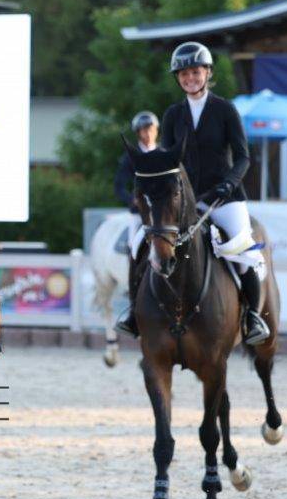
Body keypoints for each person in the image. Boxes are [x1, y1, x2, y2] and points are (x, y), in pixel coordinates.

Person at [116, 41, 270, 345]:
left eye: (195, 72)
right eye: (184, 74)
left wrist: (228, 183)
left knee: (242, 249)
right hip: (185, 201)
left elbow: (243, 157)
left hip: (224, 198)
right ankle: (134, 311)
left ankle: (252, 316)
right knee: (138, 245)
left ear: (207, 73)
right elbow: (168, 160)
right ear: (178, 78)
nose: (190, 78)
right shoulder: (173, 114)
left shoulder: (225, 110)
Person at [113, 111, 159, 333]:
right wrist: (132, 200)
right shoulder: (130, 157)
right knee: (135, 249)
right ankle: (133, 307)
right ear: (138, 133)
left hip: (161, 214)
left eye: (150, 130)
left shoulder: (163, 154)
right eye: (143, 131)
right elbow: (119, 186)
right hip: (139, 215)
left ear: (156, 131)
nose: (147, 134)